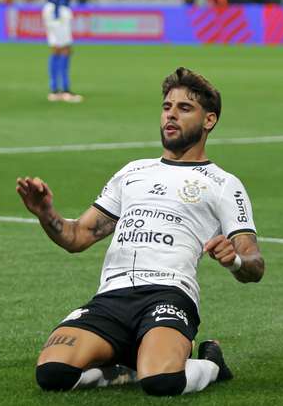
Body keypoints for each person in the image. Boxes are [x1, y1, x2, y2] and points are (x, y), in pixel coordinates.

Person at [16, 67, 265, 396]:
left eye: (184, 108)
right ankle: (129, 368)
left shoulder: (223, 184)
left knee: (162, 383)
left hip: (168, 296)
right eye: (166, 107)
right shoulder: (133, 172)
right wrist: (46, 213)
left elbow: (254, 263)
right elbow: (76, 238)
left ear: (209, 120)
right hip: (112, 299)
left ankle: (211, 362)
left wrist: (235, 261)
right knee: (53, 373)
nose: (171, 115)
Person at [43, 0, 99, 103]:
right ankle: (64, 90)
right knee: (64, 49)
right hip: (57, 11)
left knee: (58, 49)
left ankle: (55, 90)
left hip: (56, 11)